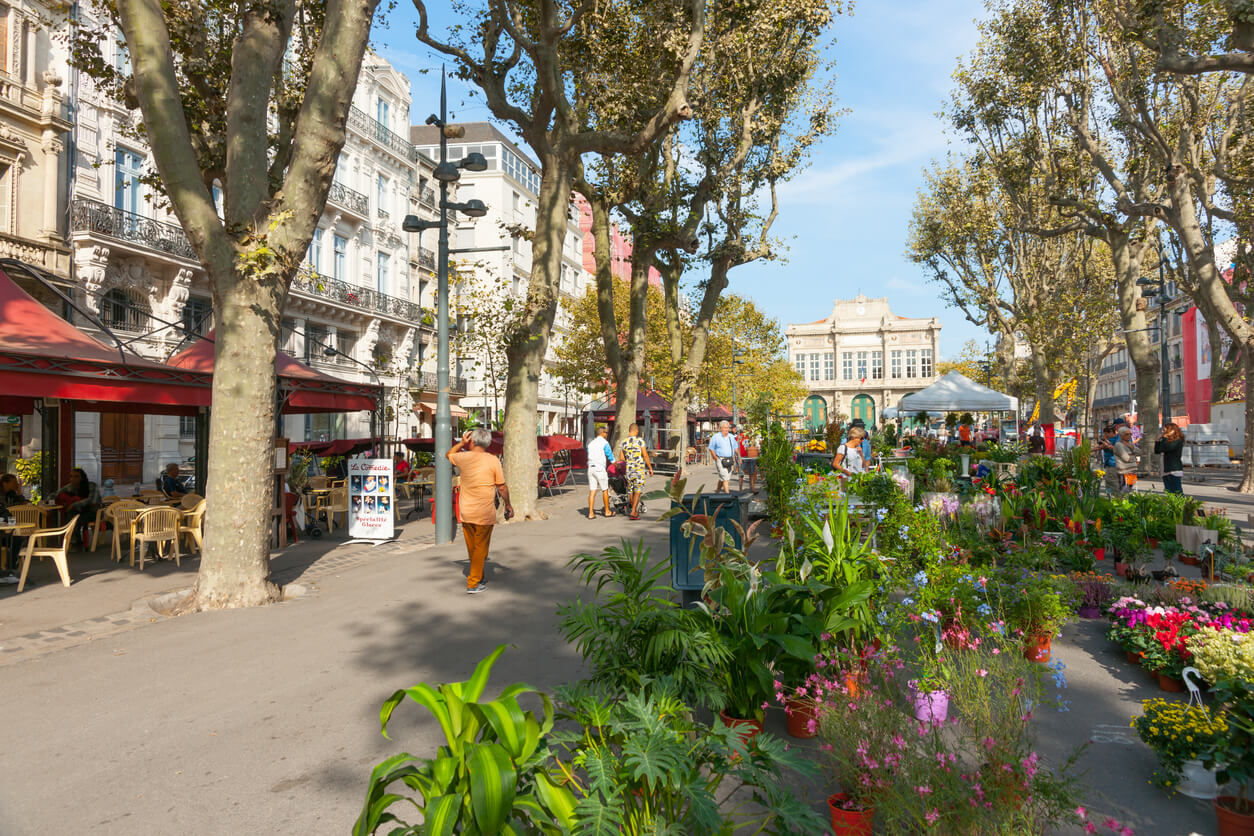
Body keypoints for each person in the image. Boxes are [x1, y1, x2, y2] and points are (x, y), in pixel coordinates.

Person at [447, 429, 512, 594]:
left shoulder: (463, 457)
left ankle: (479, 575)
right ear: (488, 443)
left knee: (473, 547)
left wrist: (461, 443)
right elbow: (502, 487)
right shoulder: (493, 460)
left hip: (466, 510)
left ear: (472, 441)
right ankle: (473, 583)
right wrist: (508, 504)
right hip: (484, 511)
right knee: (481, 547)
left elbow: (449, 454)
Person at [617, 423, 653, 520]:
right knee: (637, 491)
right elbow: (645, 455)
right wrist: (650, 468)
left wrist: (629, 458)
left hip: (629, 469)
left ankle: (634, 510)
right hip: (639, 469)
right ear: (636, 430)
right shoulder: (640, 441)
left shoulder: (623, 442)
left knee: (631, 490)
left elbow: (621, 458)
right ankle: (633, 512)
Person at [586, 424, 615, 519]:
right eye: (606, 432)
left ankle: (590, 513)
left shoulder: (590, 444)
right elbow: (610, 456)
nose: (607, 434)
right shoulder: (604, 443)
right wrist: (616, 465)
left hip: (590, 468)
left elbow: (589, 453)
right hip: (599, 468)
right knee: (605, 489)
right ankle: (607, 511)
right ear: (602, 433)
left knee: (592, 491)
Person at [1155, 423, 1186, 495]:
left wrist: (1164, 438)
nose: (1163, 432)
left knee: (1177, 491)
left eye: (1165, 430)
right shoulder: (1166, 441)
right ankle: (1172, 505)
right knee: (1169, 491)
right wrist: (1157, 441)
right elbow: (1157, 450)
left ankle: (1182, 505)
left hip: (1173, 469)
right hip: (1165, 469)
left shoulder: (1177, 440)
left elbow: (1166, 448)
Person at [708, 420, 737, 493]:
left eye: (727, 428)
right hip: (720, 459)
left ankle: (717, 491)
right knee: (725, 478)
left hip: (729, 460)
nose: (727, 429)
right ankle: (727, 496)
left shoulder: (731, 436)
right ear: (721, 428)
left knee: (723, 478)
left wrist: (739, 456)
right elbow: (711, 448)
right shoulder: (716, 437)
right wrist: (715, 457)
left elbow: (735, 447)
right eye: (725, 428)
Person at [1114, 426, 1139, 494]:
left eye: (1130, 434)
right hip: (1124, 472)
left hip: (1132, 471)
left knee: (1129, 490)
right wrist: (1135, 458)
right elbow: (1126, 458)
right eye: (1126, 434)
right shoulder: (1118, 445)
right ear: (1121, 435)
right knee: (1123, 491)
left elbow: (1140, 452)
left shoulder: (1130, 444)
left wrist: (1131, 447)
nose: (1129, 436)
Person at [1097, 425, 1121, 496]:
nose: (1105, 435)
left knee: (1113, 482)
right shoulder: (1112, 439)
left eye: (1106, 433)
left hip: (1113, 463)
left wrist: (1107, 444)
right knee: (1109, 482)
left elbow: (1114, 449)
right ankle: (1112, 498)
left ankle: (1116, 498)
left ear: (1111, 432)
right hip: (1109, 463)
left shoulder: (1117, 438)